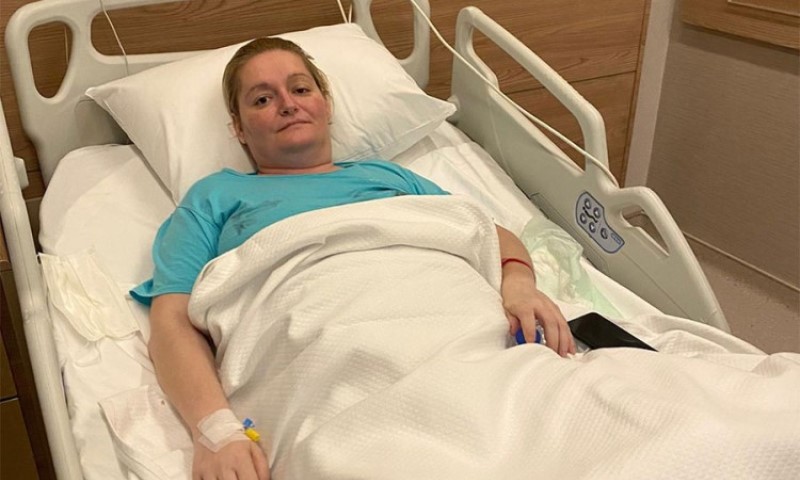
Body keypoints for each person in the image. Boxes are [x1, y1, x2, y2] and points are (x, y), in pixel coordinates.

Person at [133, 37, 576, 480]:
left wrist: (520, 287)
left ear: (326, 104)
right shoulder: (215, 196)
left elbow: (483, 232)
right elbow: (172, 320)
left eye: (300, 89)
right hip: (329, 350)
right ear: (239, 129)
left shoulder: (389, 176)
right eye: (263, 99)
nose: (288, 104)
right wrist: (216, 431)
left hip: (458, 325)